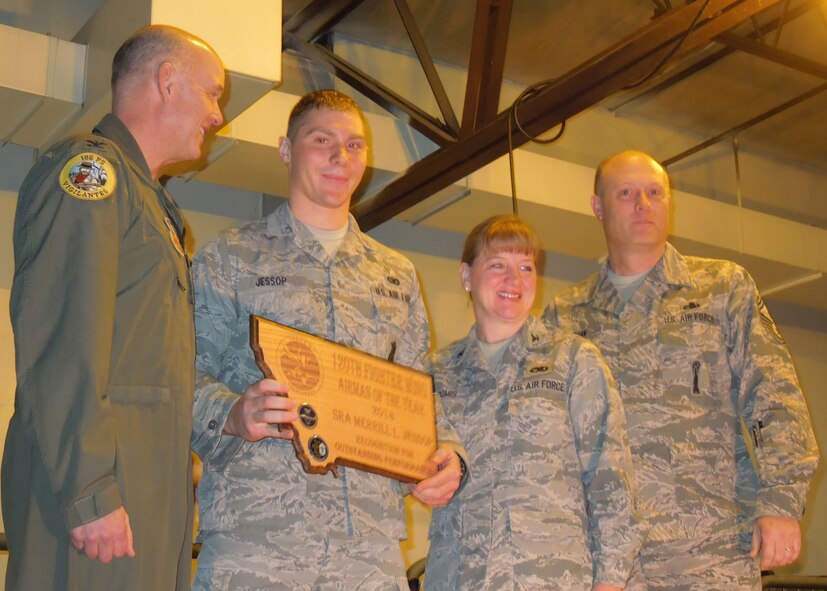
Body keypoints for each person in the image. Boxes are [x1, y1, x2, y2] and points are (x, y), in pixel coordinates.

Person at [190, 89, 465, 590]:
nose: (341, 157)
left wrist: (445, 455)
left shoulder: (396, 276)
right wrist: (231, 413)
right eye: (322, 140)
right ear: (286, 149)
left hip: (368, 550)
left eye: (355, 145)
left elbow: (421, 394)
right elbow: (176, 378)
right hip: (259, 542)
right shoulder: (229, 258)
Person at [1, 24, 225, 591]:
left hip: (144, 499)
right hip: (96, 503)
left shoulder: (150, 204)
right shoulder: (92, 176)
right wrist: (90, 491)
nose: (218, 116)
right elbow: (61, 342)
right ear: (167, 81)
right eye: (213, 92)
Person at [544, 150, 819, 590]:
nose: (643, 204)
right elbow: (545, 438)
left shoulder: (722, 288)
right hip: (607, 562)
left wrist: (781, 500)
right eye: (627, 193)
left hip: (710, 553)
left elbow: (774, 393)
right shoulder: (565, 316)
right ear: (597, 206)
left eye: (655, 193)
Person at [425, 215, 641, 591]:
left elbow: (611, 480)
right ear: (465, 276)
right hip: (458, 579)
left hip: (552, 579)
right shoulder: (434, 372)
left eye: (526, 267)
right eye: (497, 266)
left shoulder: (573, 359)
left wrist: (610, 581)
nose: (515, 280)